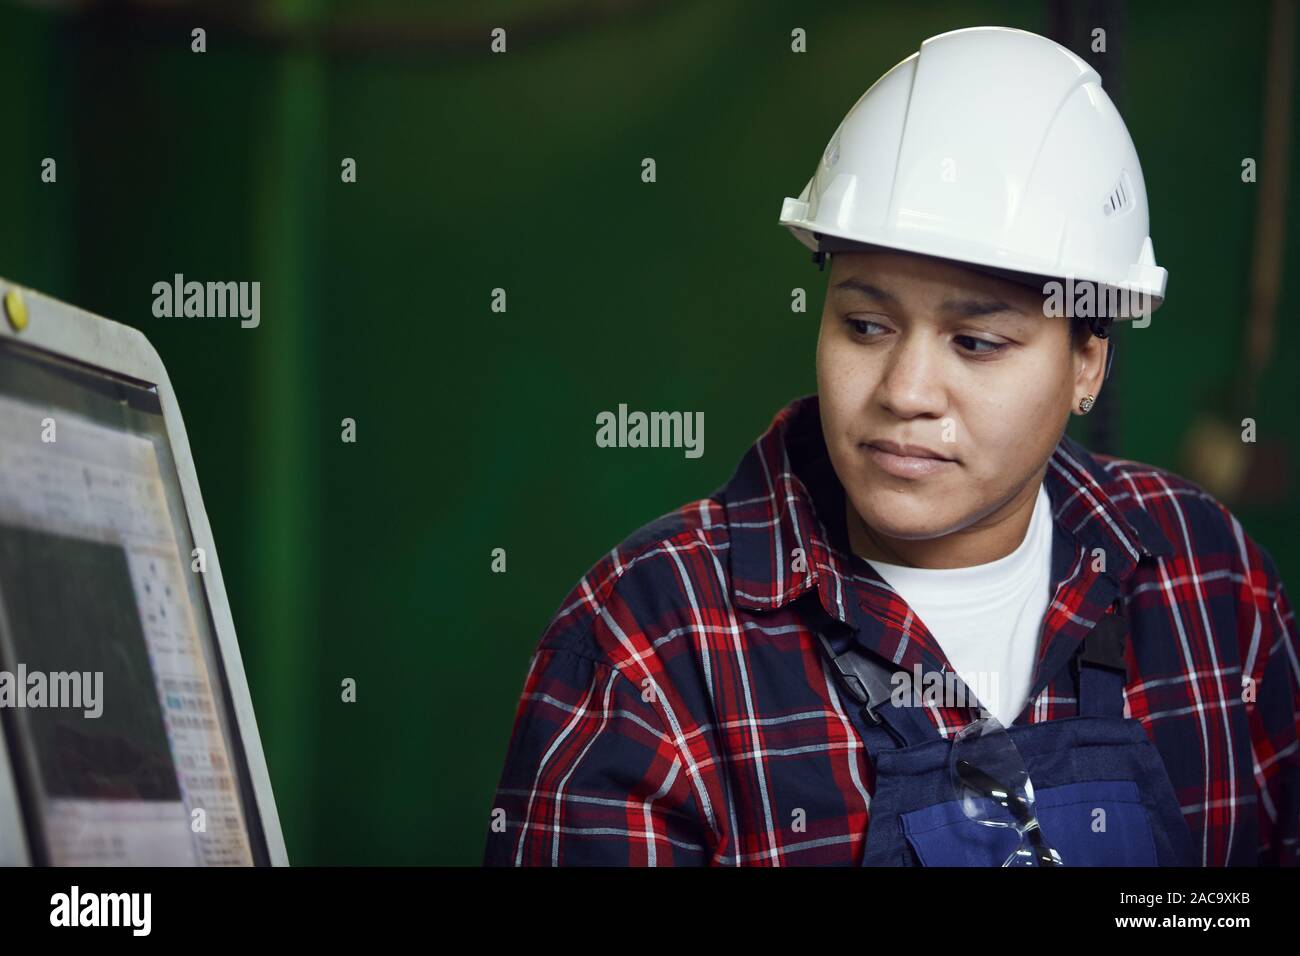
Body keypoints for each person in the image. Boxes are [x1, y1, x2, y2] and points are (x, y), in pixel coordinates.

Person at [483, 26, 1299, 866]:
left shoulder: (1210, 586)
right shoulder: (655, 644)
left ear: (1087, 363)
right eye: (865, 326)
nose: (905, 392)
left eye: (976, 344)